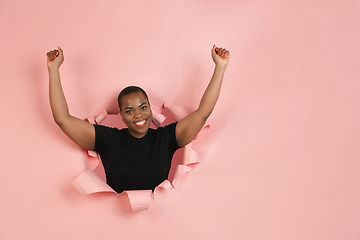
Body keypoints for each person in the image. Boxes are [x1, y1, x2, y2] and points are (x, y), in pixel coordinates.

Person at [47, 45, 230, 193]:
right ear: (121, 115)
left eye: (143, 107)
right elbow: (63, 119)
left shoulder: (165, 138)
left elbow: (202, 113)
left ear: (150, 108)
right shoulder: (108, 140)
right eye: (129, 111)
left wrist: (220, 67)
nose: (138, 115)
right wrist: (53, 69)